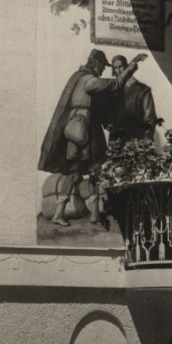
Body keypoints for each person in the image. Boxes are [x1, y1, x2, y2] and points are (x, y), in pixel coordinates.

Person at [39, 48, 147, 226]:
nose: (103, 70)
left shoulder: (81, 78)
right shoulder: (88, 80)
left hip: (88, 132)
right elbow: (114, 85)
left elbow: (97, 106)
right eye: (102, 66)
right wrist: (132, 65)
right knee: (75, 174)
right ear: (95, 63)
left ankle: (95, 213)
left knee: (95, 172)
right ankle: (59, 214)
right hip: (81, 134)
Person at [109, 53, 159, 139]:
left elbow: (150, 119)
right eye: (115, 68)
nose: (118, 71)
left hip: (137, 138)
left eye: (120, 66)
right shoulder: (114, 90)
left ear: (127, 67)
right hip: (117, 139)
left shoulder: (143, 90)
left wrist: (146, 142)